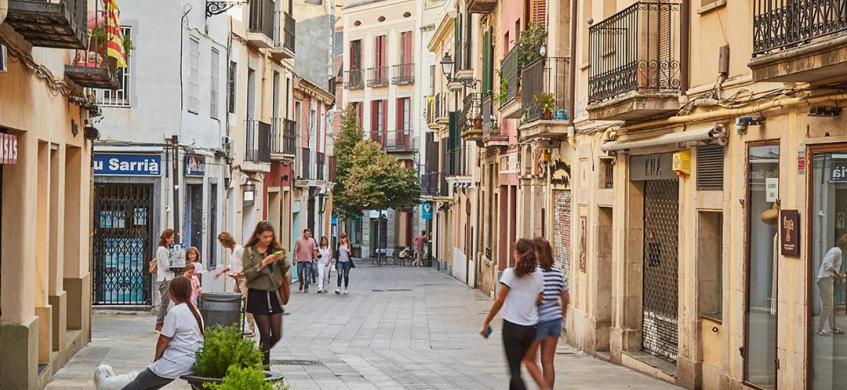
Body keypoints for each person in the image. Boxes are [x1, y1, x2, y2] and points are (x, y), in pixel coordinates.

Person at [481, 239, 546, 390]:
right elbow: (540, 298)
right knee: (522, 367)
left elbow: (499, 301)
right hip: (531, 329)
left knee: (515, 371)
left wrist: (487, 321)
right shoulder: (539, 275)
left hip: (512, 328)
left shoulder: (510, 274)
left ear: (517, 254)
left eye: (515, 251)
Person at [121, 276, 204, 390]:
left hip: (176, 362)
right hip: (193, 360)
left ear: (173, 292)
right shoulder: (195, 310)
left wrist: (156, 360)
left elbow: (163, 340)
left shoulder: (175, 312)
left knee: (139, 382)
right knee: (149, 386)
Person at [242, 221, 290, 365]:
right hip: (257, 295)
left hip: (273, 294)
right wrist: (263, 264)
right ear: (258, 236)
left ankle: (259, 356)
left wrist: (281, 260)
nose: (268, 239)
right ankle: (264, 367)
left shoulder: (275, 248)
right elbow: (248, 275)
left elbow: (286, 268)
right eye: (265, 236)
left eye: (270, 236)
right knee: (264, 332)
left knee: (276, 334)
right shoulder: (250, 251)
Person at [525, 237, 568, 390]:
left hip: (539, 321)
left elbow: (536, 298)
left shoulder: (535, 273)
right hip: (555, 320)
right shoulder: (558, 271)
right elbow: (565, 297)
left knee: (529, 359)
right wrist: (561, 316)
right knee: (548, 361)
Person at [215, 232, 256, 337]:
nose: (222, 244)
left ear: (226, 241)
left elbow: (248, 263)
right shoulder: (232, 251)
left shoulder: (239, 249)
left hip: (244, 279)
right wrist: (222, 271)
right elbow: (232, 265)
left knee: (246, 304)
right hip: (236, 279)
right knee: (235, 302)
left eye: (222, 242)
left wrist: (240, 273)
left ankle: (252, 329)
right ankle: (238, 325)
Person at [817, 234, 847, 336]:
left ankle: (832, 327)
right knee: (828, 305)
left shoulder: (838, 251)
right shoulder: (837, 251)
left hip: (827, 279)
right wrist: (838, 274)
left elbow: (831, 266)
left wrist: (839, 275)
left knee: (831, 305)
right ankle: (820, 329)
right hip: (825, 279)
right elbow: (826, 264)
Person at [154, 229, 176, 333]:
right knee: (165, 302)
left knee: (166, 302)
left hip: (167, 278)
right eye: (172, 237)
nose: (173, 239)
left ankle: (164, 323)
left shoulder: (165, 249)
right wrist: (176, 265)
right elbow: (166, 266)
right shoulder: (162, 250)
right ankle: (159, 323)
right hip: (165, 279)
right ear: (167, 238)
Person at [294, 228, 317, 293]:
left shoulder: (312, 241)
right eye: (307, 234)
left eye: (309, 234)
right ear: (304, 233)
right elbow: (295, 250)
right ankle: (301, 283)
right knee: (299, 273)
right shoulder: (299, 240)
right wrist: (294, 259)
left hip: (308, 260)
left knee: (307, 274)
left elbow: (314, 250)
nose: (308, 235)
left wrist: (315, 258)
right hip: (300, 259)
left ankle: (306, 288)